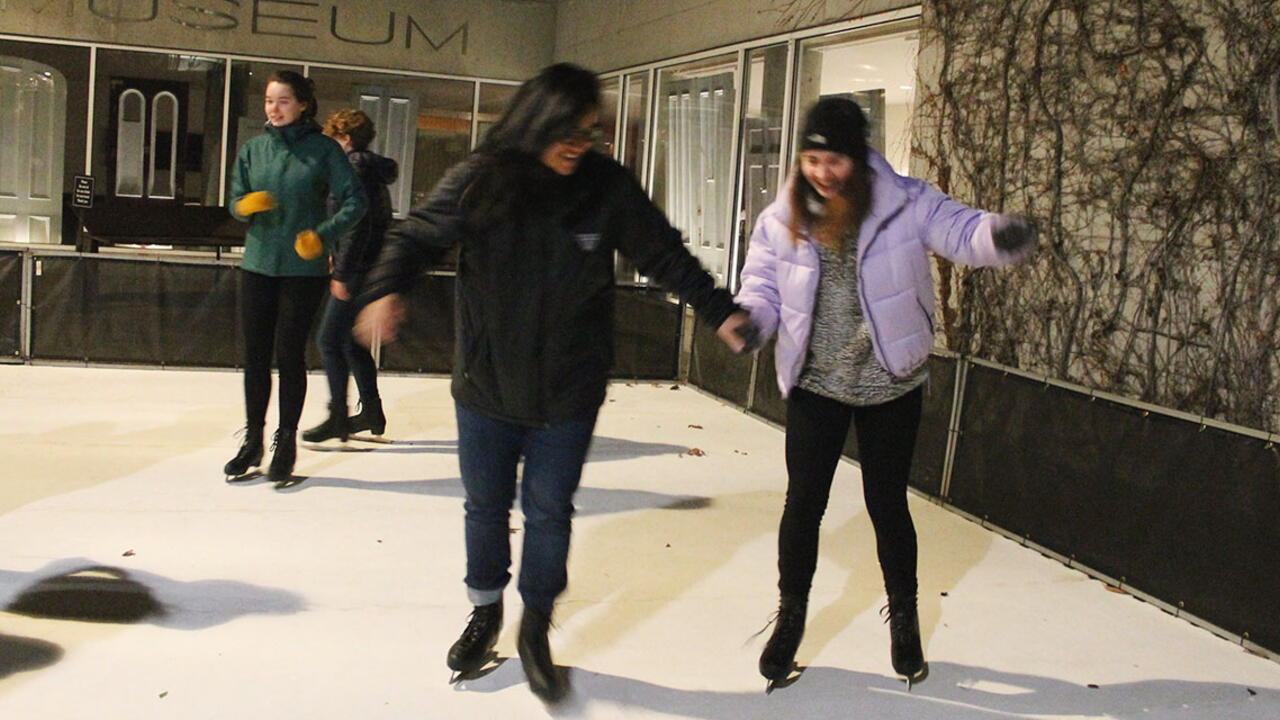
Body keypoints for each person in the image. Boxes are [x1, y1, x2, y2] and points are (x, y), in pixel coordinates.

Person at [354, 63, 754, 703]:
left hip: (569, 388)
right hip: (487, 386)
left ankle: (535, 625)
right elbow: (417, 235)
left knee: (548, 512)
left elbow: (663, 252)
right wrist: (383, 290)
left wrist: (718, 310)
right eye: (566, 132)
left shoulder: (606, 187)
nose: (578, 145)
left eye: (589, 133)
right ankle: (486, 610)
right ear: (536, 123)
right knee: (485, 507)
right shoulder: (484, 178)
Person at [734, 97, 1037, 689]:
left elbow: (960, 229)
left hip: (891, 380)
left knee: (887, 505)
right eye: (813, 157)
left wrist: (998, 236)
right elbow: (762, 285)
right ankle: (791, 616)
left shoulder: (905, 202)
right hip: (817, 382)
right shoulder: (782, 216)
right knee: (804, 504)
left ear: (860, 156)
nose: (823, 171)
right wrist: (752, 321)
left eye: (836, 159)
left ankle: (904, 620)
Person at [221, 70, 367, 484]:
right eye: (270, 101)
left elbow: (356, 202)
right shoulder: (253, 150)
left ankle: (285, 443)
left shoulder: (324, 151)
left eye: (284, 100)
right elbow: (234, 201)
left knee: (288, 356)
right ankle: (252, 441)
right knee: (254, 358)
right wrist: (244, 205)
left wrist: (321, 236)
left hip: (302, 271)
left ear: (303, 104)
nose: (275, 108)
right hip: (258, 264)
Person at [301, 109, 399, 444]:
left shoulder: (353, 167)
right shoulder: (367, 169)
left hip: (356, 269)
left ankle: (339, 416)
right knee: (348, 341)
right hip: (365, 266)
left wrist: (342, 271)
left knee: (329, 339)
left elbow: (358, 226)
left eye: (332, 139)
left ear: (345, 139)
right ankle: (371, 411)